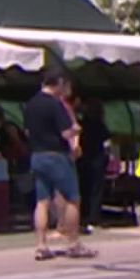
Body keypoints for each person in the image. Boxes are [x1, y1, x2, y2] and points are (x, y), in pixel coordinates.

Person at [25, 71, 94, 261]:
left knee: (42, 201)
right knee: (73, 199)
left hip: (37, 155)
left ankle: (41, 245)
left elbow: (27, 130)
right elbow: (66, 133)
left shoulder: (30, 104)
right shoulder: (55, 104)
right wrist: (76, 130)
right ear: (59, 84)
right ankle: (73, 243)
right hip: (56, 156)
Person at [74, 96, 113, 230]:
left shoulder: (80, 124)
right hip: (97, 158)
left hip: (83, 159)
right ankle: (94, 217)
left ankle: (82, 215)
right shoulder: (100, 125)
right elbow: (107, 143)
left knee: (83, 188)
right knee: (96, 189)